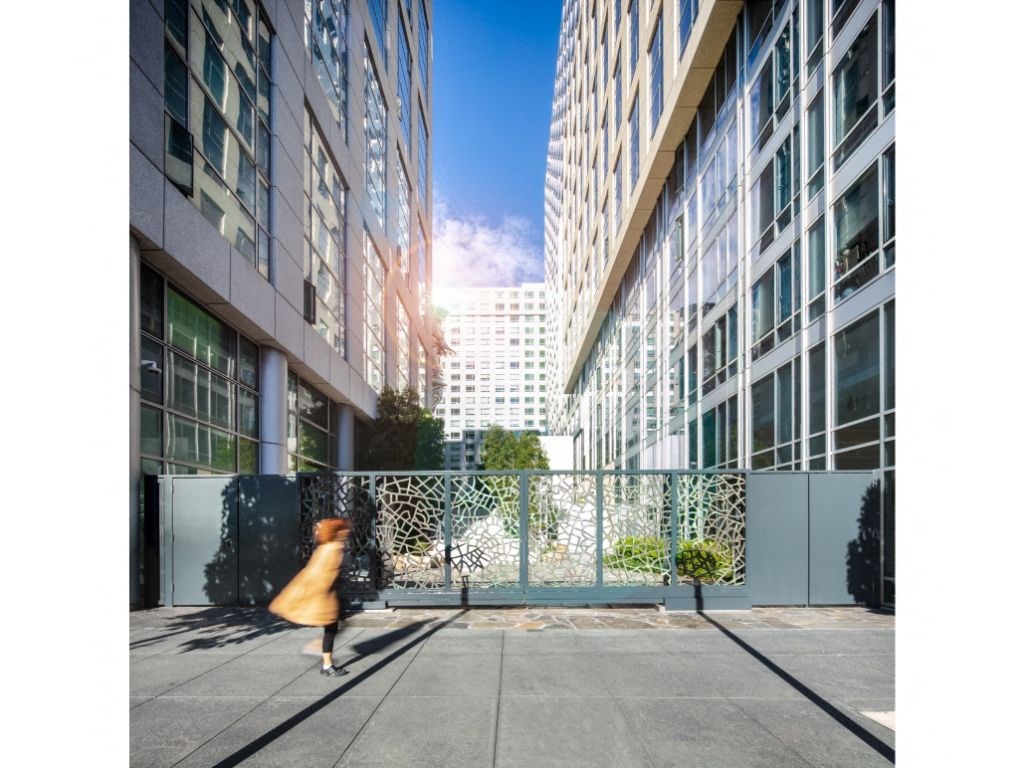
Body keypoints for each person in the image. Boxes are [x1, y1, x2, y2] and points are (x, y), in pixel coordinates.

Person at [269, 517, 351, 677]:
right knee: (332, 629)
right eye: (343, 529)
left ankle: (324, 658)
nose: (346, 532)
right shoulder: (332, 548)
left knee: (336, 627)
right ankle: (326, 663)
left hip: (332, 595)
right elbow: (320, 576)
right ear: (337, 532)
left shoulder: (328, 547)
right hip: (328, 596)